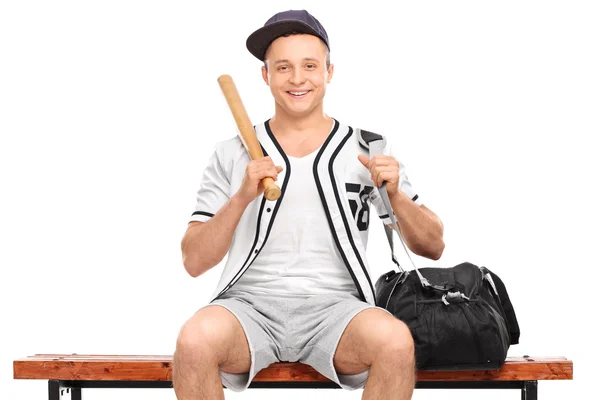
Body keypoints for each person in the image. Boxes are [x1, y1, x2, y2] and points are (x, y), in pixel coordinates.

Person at [173, 9, 444, 400]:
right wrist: (241, 198)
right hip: (248, 306)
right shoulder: (232, 153)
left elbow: (432, 246)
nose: (297, 79)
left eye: (309, 66)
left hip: (339, 308)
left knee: (394, 340)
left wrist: (396, 196)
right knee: (195, 339)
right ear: (266, 76)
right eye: (283, 67)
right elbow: (193, 261)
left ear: (329, 72)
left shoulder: (368, 149)